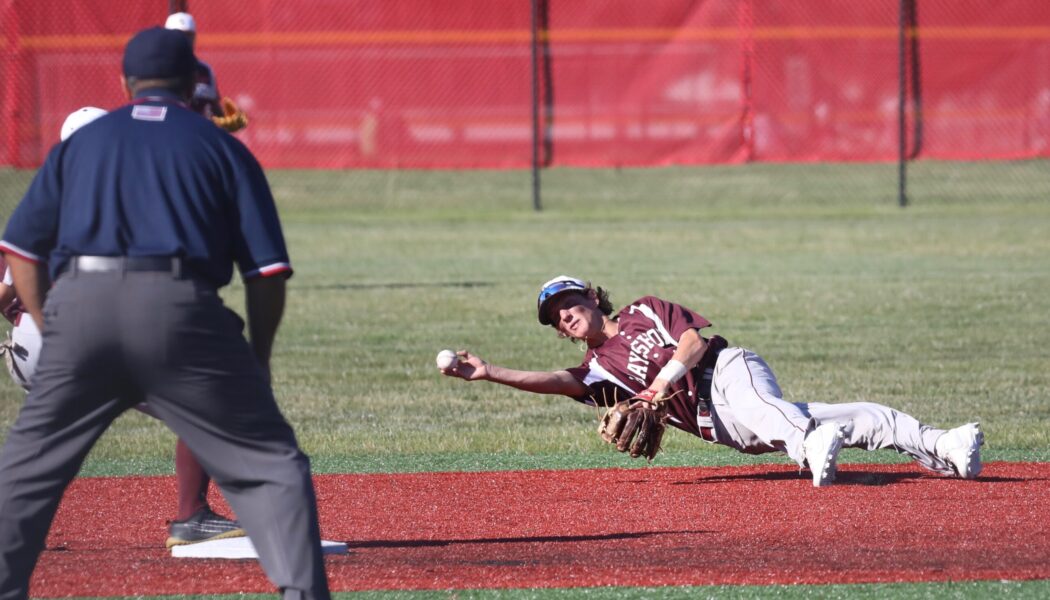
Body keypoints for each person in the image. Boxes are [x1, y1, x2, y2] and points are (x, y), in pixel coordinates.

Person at [0, 27, 329, 598]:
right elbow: (268, 274)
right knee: (272, 467)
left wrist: (53, 326)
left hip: (77, 311)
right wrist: (258, 359)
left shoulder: (81, 143)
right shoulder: (220, 145)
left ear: (126, 83)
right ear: (190, 83)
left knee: (26, 473)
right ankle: (301, 589)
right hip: (182, 312)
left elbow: (22, 252)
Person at [440, 275, 985, 487]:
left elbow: (694, 343)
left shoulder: (643, 310)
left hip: (726, 373)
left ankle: (806, 445)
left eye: (567, 303)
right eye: (555, 316)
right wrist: (490, 373)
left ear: (590, 296)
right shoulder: (596, 371)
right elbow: (554, 381)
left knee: (769, 410)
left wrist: (662, 383)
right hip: (720, 426)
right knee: (853, 417)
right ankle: (943, 445)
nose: (564, 315)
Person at [0, 105, 246, 550]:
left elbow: (10, 284)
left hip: (37, 342)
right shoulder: (134, 191)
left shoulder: (49, 193)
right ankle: (191, 516)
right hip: (99, 333)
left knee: (50, 435)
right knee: (208, 401)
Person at [164, 11, 247, 131]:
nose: (184, 40)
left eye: (188, 36)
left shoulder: (205, 71)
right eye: (178, 35)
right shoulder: (158, 71)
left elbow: (214, 108)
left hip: (199, 136)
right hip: (170, 134)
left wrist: (227, 123)